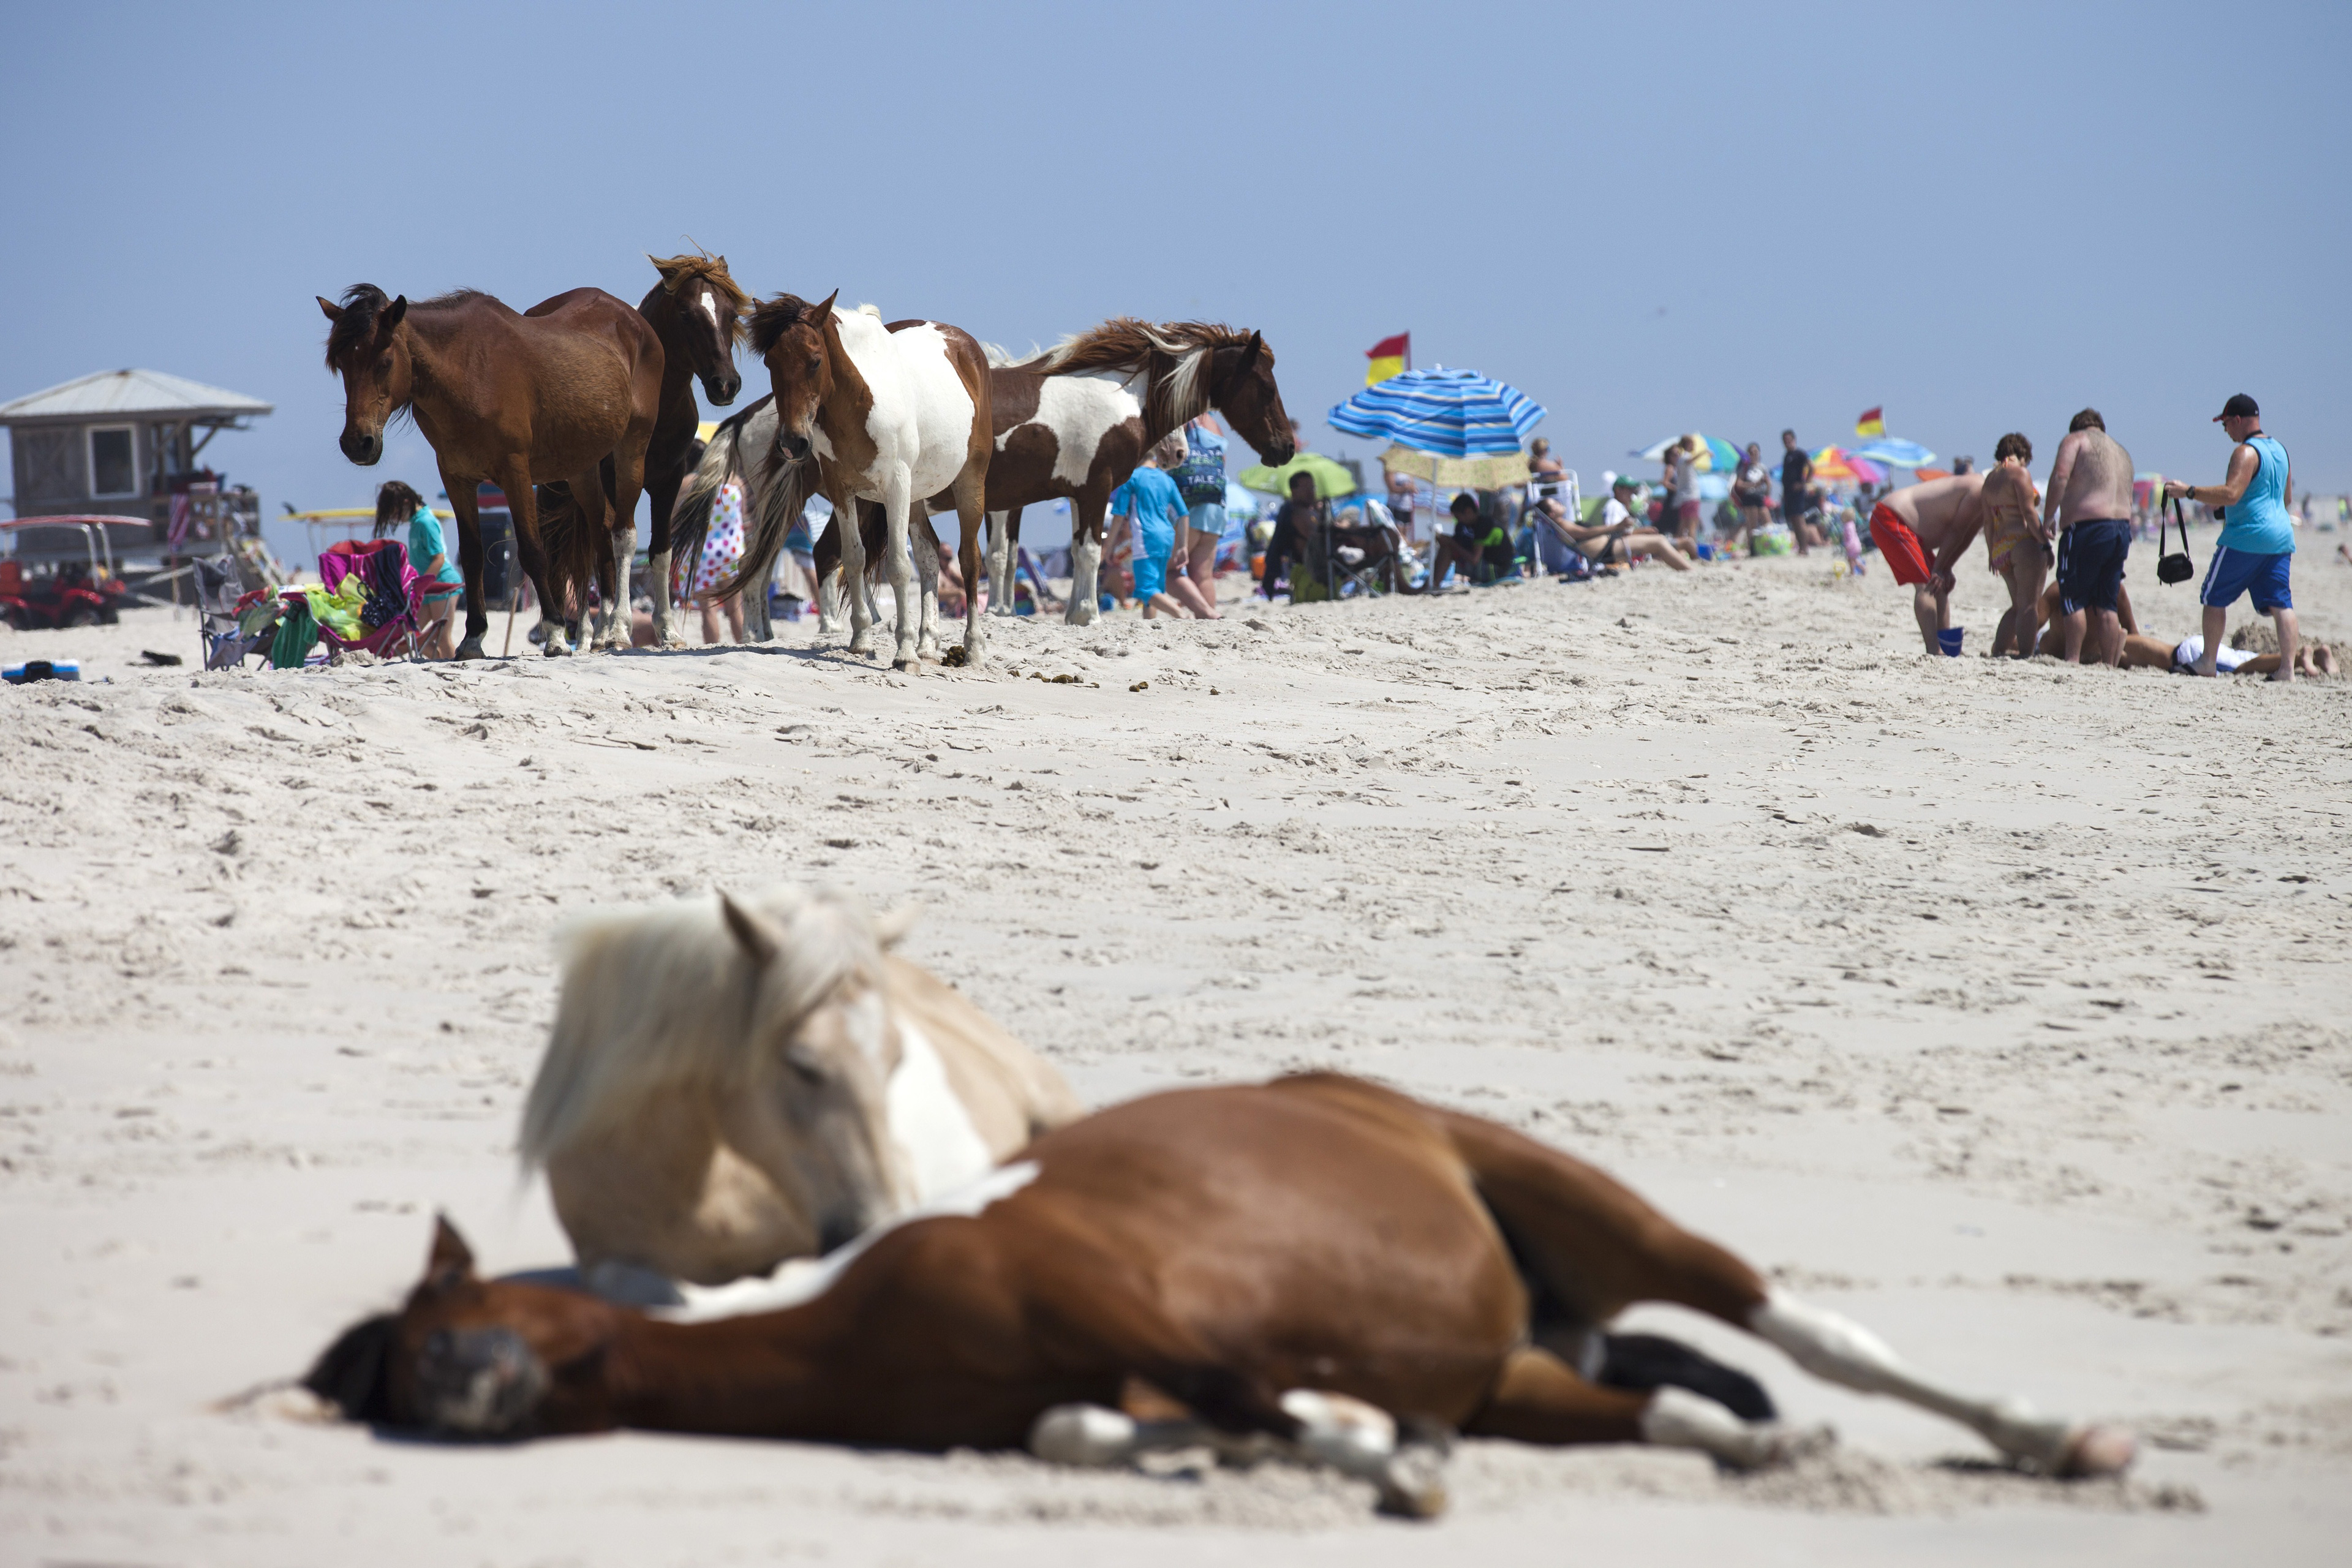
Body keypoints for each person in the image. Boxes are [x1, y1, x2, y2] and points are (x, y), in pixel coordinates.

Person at [2165, 394, 2299, 681]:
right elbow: (2285, 498)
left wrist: (2189, 491)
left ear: (2238, 420)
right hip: (2280, 536)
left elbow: (2231, 493)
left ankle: (2207, 662)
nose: (2226, 430)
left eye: (2226, 423)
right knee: (2281, 604)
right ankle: (2287, 669)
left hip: (2246, 537)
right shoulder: (2280, 450)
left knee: (2214, 596)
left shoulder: (2246, 452)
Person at [2044, 409, 2136, 667]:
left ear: (2077, 428)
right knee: (2107, 602)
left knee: (2073, 596)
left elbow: (2061, 476)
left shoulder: (2076, 440)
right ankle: (2109, 664)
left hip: (2087, 528)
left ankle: (2072, 659)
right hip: (2120, 530)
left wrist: (2049, 516)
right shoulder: (2122, 452)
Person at [1872, 471, 1989, 655]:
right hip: (1892, 518)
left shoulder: (1987, 499)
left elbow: (1967, 535)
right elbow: (1956, 531)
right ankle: (1934, 649)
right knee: (1928, 584)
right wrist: (1939, 568)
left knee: (1939, 584)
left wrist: (1946, 567)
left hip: (1909, 527)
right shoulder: (1979, 490)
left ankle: (1948, 648)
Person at [1979, 434, 2049, 658]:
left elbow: (1988, 523)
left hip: (2001, 548)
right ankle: (2026, 655)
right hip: (2022, 543)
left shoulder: (1990, 480)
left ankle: (1999, 649)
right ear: (2022, 454)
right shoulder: (2019, 474)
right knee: (2029, 606)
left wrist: (1992, 554)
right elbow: (2029, 513)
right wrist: (2045, 543)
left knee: (2017, 606)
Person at [374, 480, 459, 659]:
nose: (396, 519)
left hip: (443, 584)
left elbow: (439, 558)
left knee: (443, 636)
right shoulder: (416, 523)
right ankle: (438, 661)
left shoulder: (426, 522)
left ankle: (454, 670)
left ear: (406, 503)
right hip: (427, 588)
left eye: (395, 513)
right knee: (409, 637)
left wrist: (422, 585)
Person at [1109, 441, 1192, 619]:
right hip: (1167, 537)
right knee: (1155, 589)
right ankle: (1151, 626)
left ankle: (1181, 614)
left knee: (1146, 590)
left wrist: (1108, 548)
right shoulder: (1167, 479)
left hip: (1145, 536)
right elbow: (1183, 514)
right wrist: (1183, 546)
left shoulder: (1132, 478)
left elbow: (1118, 515)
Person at [1534, 478, 1692, 570]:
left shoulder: (1562, 524)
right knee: (1658, 543)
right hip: (1607, 550)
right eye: (1554, 503)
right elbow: (1584, 534)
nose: (1558, 502)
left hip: (1609, 546)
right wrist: (1616, 527)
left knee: (1659, 541)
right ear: (1551, 514)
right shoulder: (1562, 525)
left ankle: (1687, 569)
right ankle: (1688, 571)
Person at [1170, 417, 1228, 620]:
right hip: (1216, 505)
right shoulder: (1212, 422)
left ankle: (1207, 613)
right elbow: (1222, 461)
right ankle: (1208, 624)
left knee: (1166, 571)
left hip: (1189, 507)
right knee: (1203, 576)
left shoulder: (1180, 416)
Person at [1259, 470, 1321, 602]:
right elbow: (1316, 536)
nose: (1311, 492)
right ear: (1294, 490)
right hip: (1313, 563)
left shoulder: (1302, 510)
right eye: (1306, 488)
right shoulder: (1296, 512)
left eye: (1312, 488)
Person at [1778, 430, 1821, 552]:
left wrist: (1804, 484)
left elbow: (1812, 467)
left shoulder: (1800, 453)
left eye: (1789, 440)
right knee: (1793, 520)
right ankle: (1801, 547)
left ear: (1794, 440)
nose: (1787, 443)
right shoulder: (1787, 456)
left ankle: (1805, 547)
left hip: (1797, 493)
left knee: (1799, 519)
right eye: (1785, 441)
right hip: (1788, 492)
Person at [1732, 442, 1773, 552]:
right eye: (1751, 453)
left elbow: (1768, 487)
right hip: (1749, 497)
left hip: (1760, 497)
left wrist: (1767, 487)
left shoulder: (1763, 468)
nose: (1754, 454)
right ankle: (1752, 548)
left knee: (1768, 522)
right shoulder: (1745, 468)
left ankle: (1768, 544)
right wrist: (1754, 485)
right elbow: (1739, 484)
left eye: (1755, 452)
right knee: (1752, 525)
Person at [1668, 435, 1703, 547]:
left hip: (1685, 496)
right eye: (1692, 443)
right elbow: (1690, 460)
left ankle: (1673, 548)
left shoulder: (1680, 460)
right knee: (1692, 525)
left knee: (1683, 525)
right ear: (1688, 444)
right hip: (1691, 495)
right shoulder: (1685, 457)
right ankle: (1694, 550)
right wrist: (1705, 453)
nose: (1694, 445)